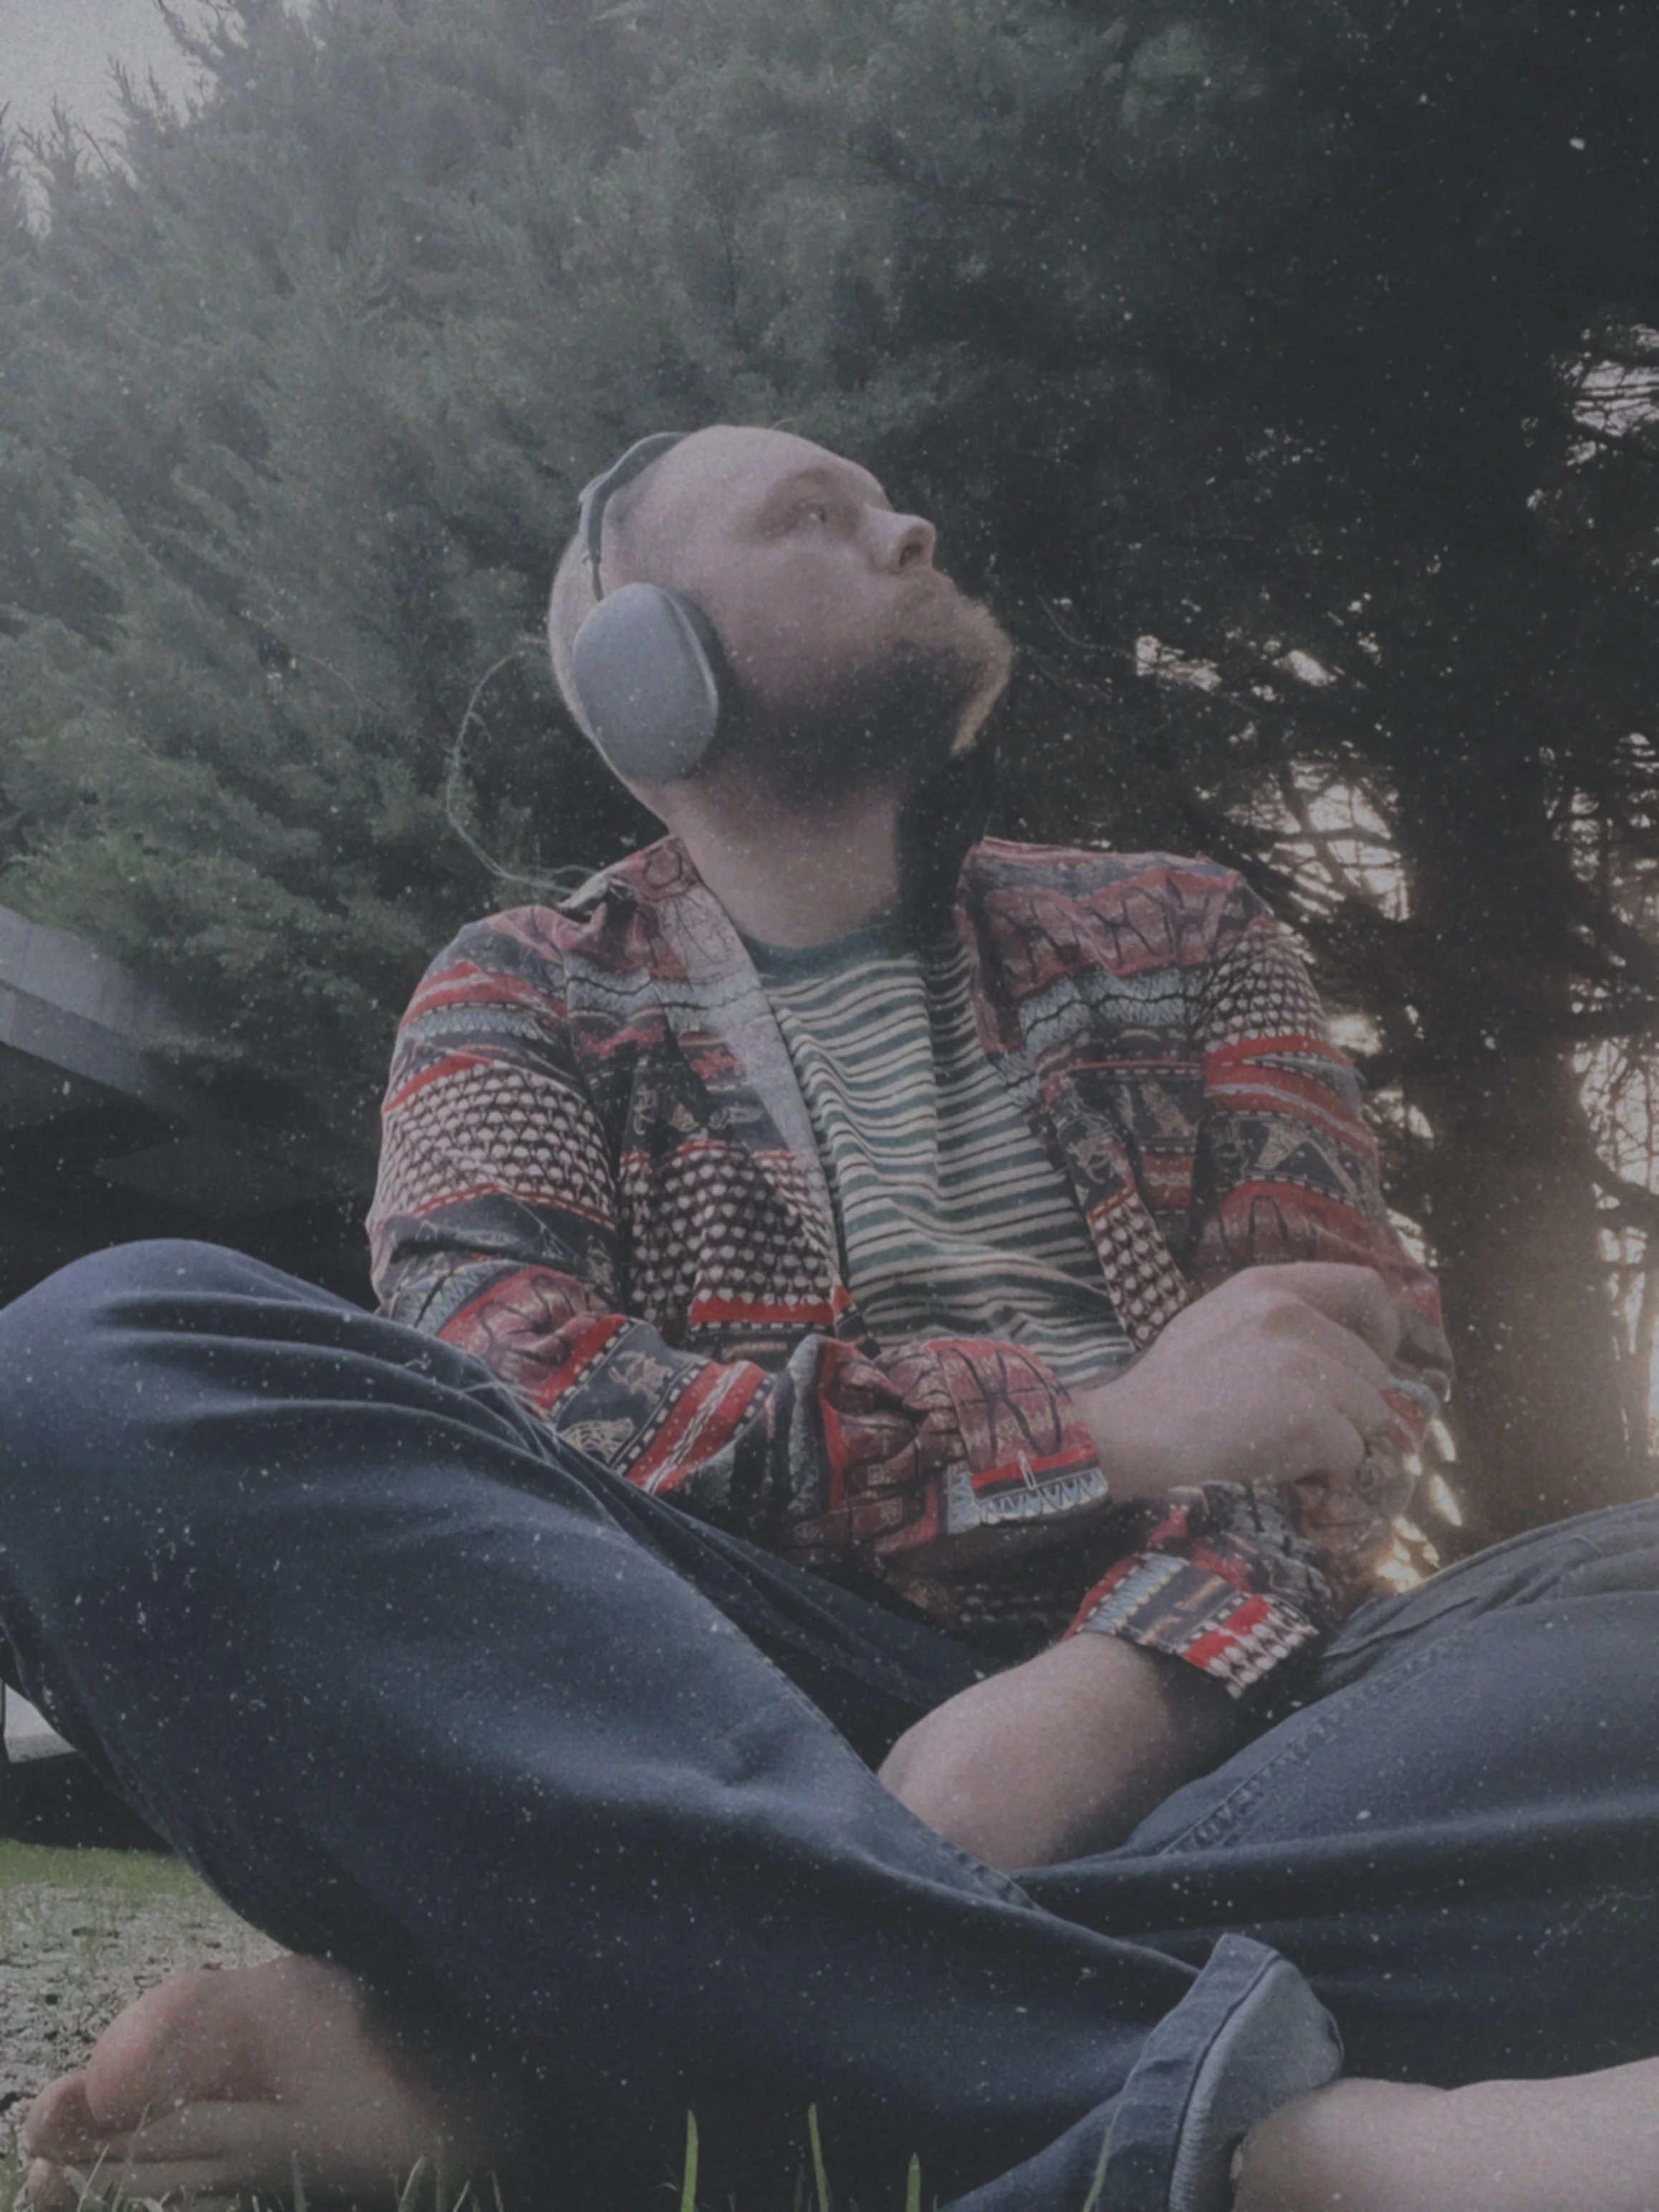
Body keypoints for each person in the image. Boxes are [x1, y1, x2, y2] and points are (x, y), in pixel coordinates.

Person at [8, 425, 1659, 2212]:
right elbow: (530, 1393)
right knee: (87, 1373)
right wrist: (1098, 1433)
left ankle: (537, 2066)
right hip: (699, 1724)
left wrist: (1133, 1681)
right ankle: (1276, 2140)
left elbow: (1338, 1383)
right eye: (815, 513)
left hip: (1231, 1719)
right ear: (641, 666)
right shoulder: (521, 992)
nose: (909, 525)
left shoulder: (1186, 930)